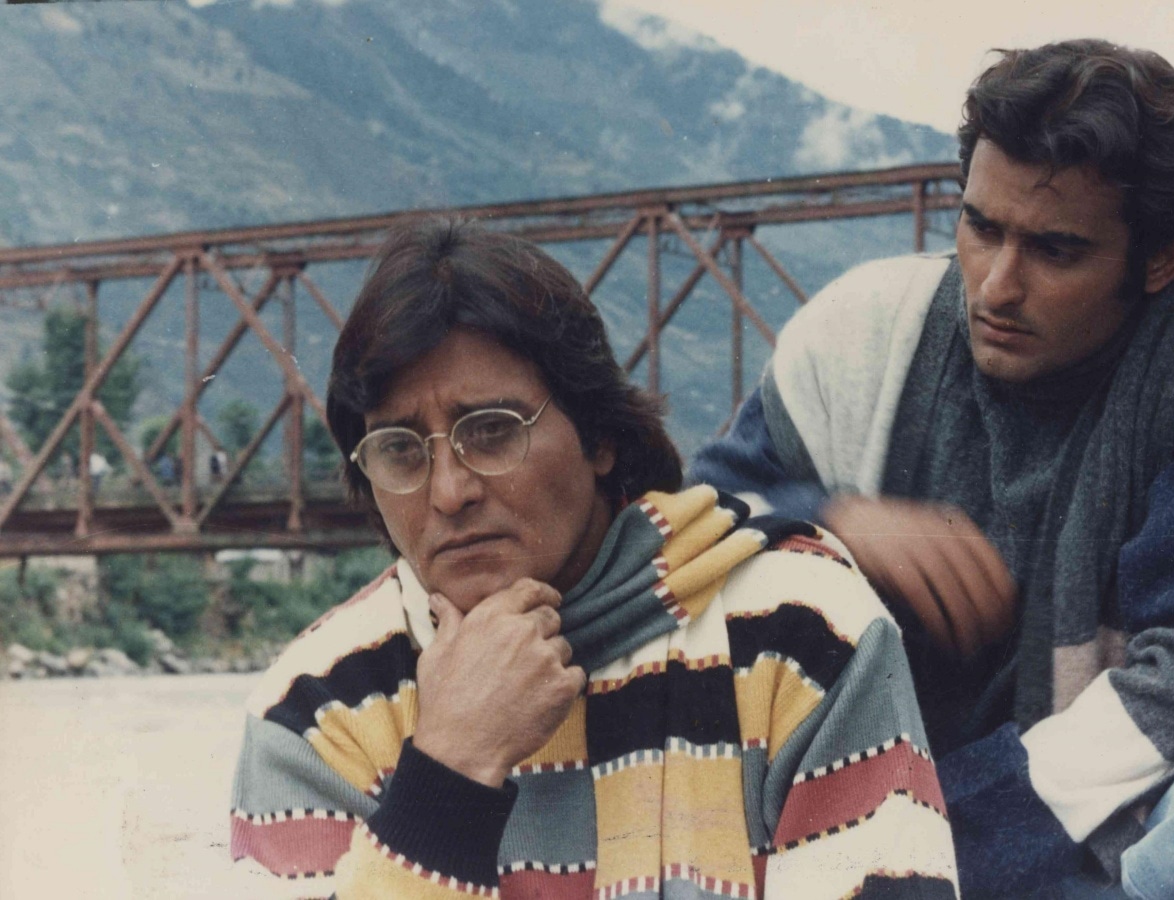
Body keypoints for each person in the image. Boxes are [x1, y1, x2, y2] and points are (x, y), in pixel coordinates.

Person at [691, 39, 1174, 899]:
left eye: (1056, 251)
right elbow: (681, 540)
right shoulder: (864, 330)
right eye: (981, 228)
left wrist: (941, 829)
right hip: (865, 818)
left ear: (1163, 259)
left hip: (1094, 824)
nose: (996, 287)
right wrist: (828, 523)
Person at [228, 220, 956, 900]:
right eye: (398, 450)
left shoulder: (801, 631)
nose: (448, 492)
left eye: (492, 431)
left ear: (600, 436)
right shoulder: (314, 710)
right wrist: (449, 770)